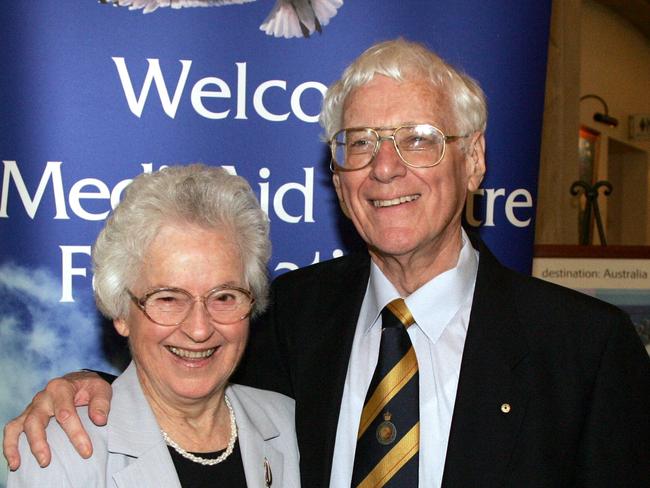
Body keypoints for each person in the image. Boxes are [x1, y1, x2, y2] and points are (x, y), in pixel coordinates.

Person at [4, 39, 650, 487]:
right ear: (338, 176)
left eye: (419, 140)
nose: (385, 167)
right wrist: (88, 388)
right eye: (361, 143)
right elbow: (185, 376)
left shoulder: (585, 351)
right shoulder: (292, 316)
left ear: (474, 159)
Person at [6, 164, 300, 487]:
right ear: (121, 313)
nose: (199, 329)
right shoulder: (62, 455)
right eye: (169, 299)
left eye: (224, 297)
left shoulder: (289, 426)